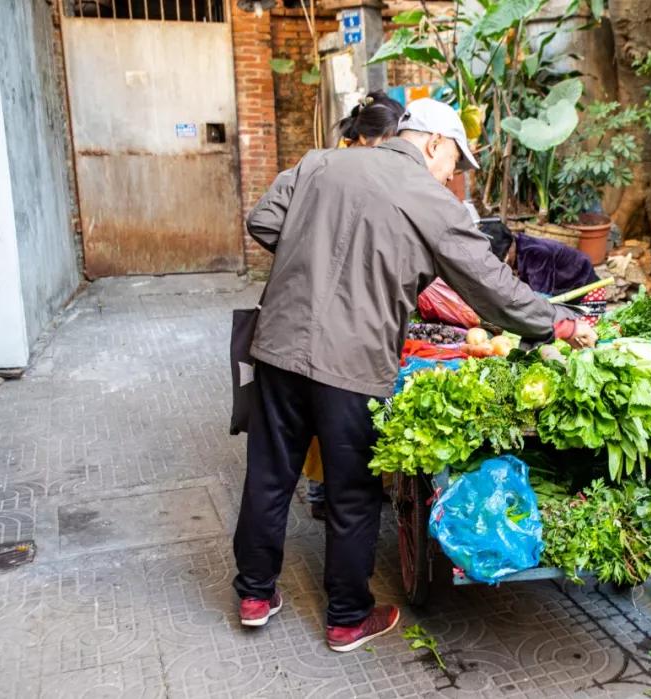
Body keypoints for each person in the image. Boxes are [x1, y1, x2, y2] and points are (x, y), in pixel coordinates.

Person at [233, 98, 596, 651]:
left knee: (268, 474)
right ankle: (347, 619)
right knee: (352, 492)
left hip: (278, 345)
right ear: (432, 143)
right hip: (350, 364)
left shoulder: (320, 162)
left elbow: (264, 221)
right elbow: (492, 290)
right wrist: (561, 325)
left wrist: (313, 259)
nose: (455, 176)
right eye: (455, 161)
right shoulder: (428, 197)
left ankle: (255, 596)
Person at [305, 91, 407, 522]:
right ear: (379, 138)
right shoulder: (341, 168)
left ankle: (328, 485)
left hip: (329, 296)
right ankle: (324, 487)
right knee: (332, 402)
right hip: (332, 302)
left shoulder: (329, 162)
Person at [484, 222, 599, 296]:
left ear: (511, 246)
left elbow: (541, 298)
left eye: (503, 257)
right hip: (563, 291)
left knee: (588, 329)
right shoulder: (517, 248)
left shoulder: (535, 254)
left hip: (586, 288)